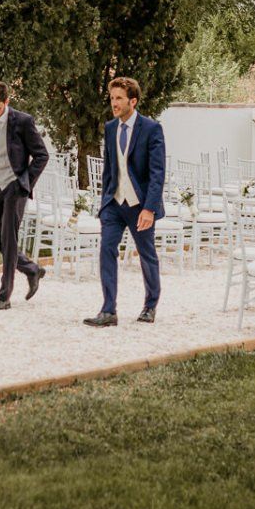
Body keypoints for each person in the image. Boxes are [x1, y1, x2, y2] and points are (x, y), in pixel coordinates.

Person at [85, 76, 165, 327]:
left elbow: (157, 173)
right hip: (114, 203)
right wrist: (104, 202)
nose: (114, 103)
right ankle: (108, 310)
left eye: (119, 98)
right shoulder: (110, 128)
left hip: (140, 205)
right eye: (112, 98)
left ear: (133, 101)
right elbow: (110, 169)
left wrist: (149, 209)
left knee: (146, 254)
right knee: (106, 250)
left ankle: (150, 306)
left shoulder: (151, 128)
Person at [0, 81, 49, 312]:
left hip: (13, 187)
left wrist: (24, 183)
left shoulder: (23, 121)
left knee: (9, 240)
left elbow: (42, 155)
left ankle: (4, 296)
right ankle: (31, 269)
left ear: (7, 102)